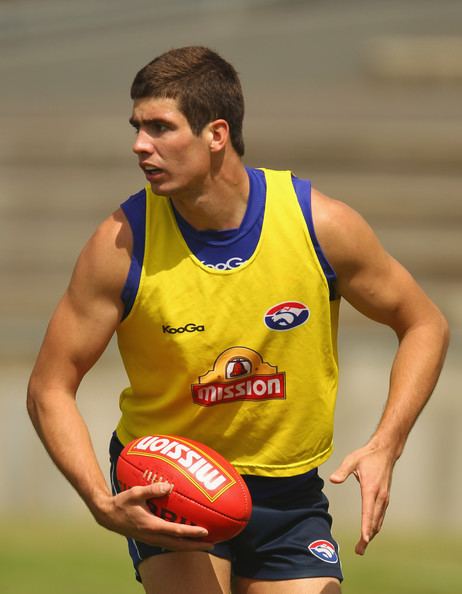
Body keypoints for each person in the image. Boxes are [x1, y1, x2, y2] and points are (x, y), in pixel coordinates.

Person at [27, 46, 449, 594]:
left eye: (160, 127)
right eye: (137, 127)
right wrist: (100, 501)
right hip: (170, 482)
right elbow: (49, 387)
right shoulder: (120, 244)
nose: (139, 144)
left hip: (289, 489)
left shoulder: (319, 225)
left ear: (216, 134)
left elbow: (425, 324)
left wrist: (386, 443)